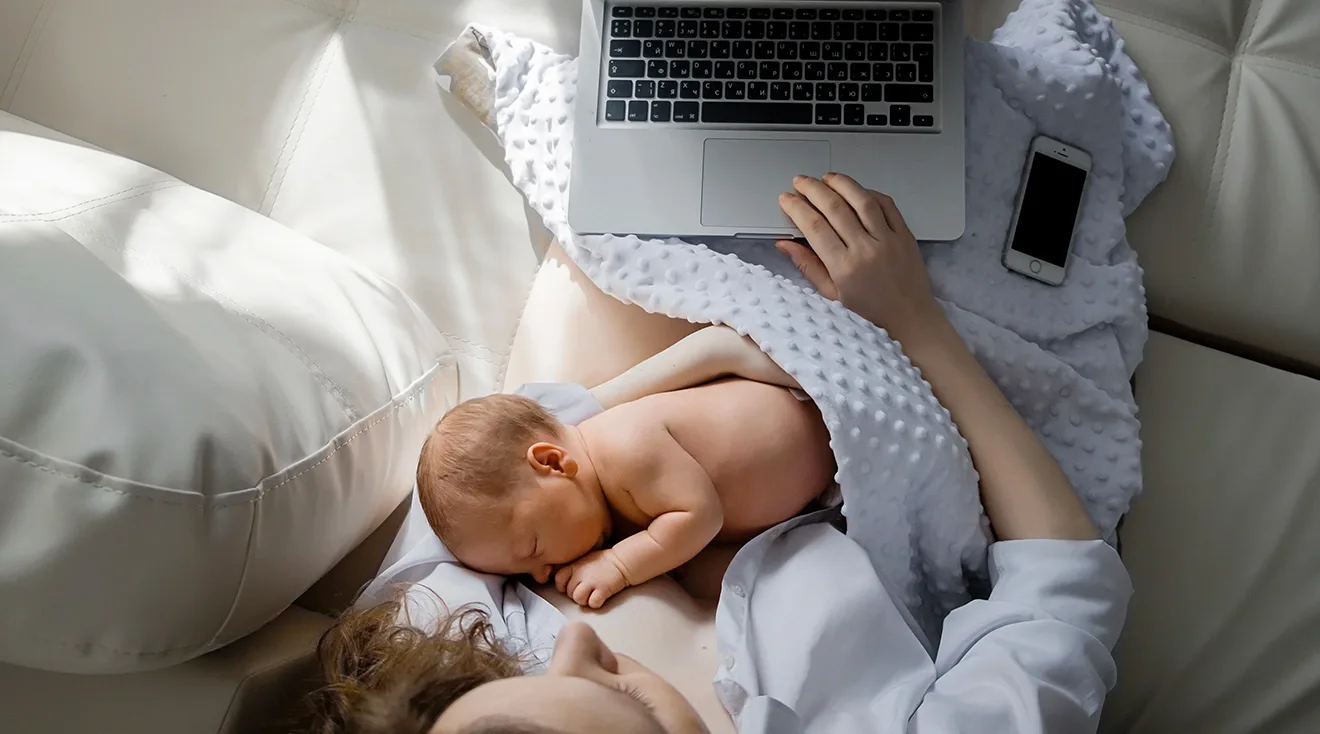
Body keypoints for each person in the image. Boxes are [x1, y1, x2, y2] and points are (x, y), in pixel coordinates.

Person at [298, 174, 1131, 734]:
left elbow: (522, 434)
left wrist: (651, 401)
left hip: (663, 391)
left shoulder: (434, 641)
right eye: (620, 694)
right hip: (875, 439)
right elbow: (1063, 586)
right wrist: (914, 323)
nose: (574, 647)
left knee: (640, 161)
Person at [415, 333, 835, 609]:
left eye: (534, 547)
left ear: (552, 463)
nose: (541, 574)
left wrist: (620, 565)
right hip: (824, 486)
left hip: (832, 425)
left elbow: (700, 516)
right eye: (523, 575)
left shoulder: (624, 448)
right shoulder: (605, 502)